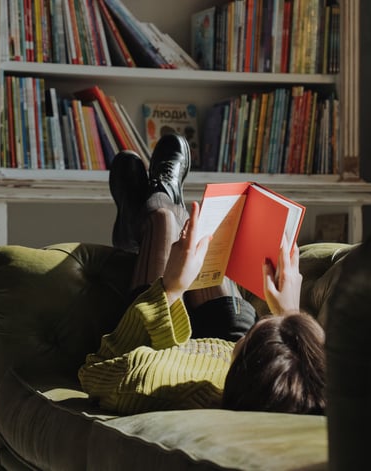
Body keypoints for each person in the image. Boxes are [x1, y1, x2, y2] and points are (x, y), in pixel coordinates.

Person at [78, 134, 325, 415]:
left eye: (266, 323)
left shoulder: (156, 382)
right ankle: (153, 207)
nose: (268, 316)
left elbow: (95, 372)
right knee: (199, 236)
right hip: (235, 351)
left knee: (164, 221)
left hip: (161, 347)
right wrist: (289, 313)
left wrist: (171, 288)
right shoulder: (275, 379)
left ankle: (151, 209)